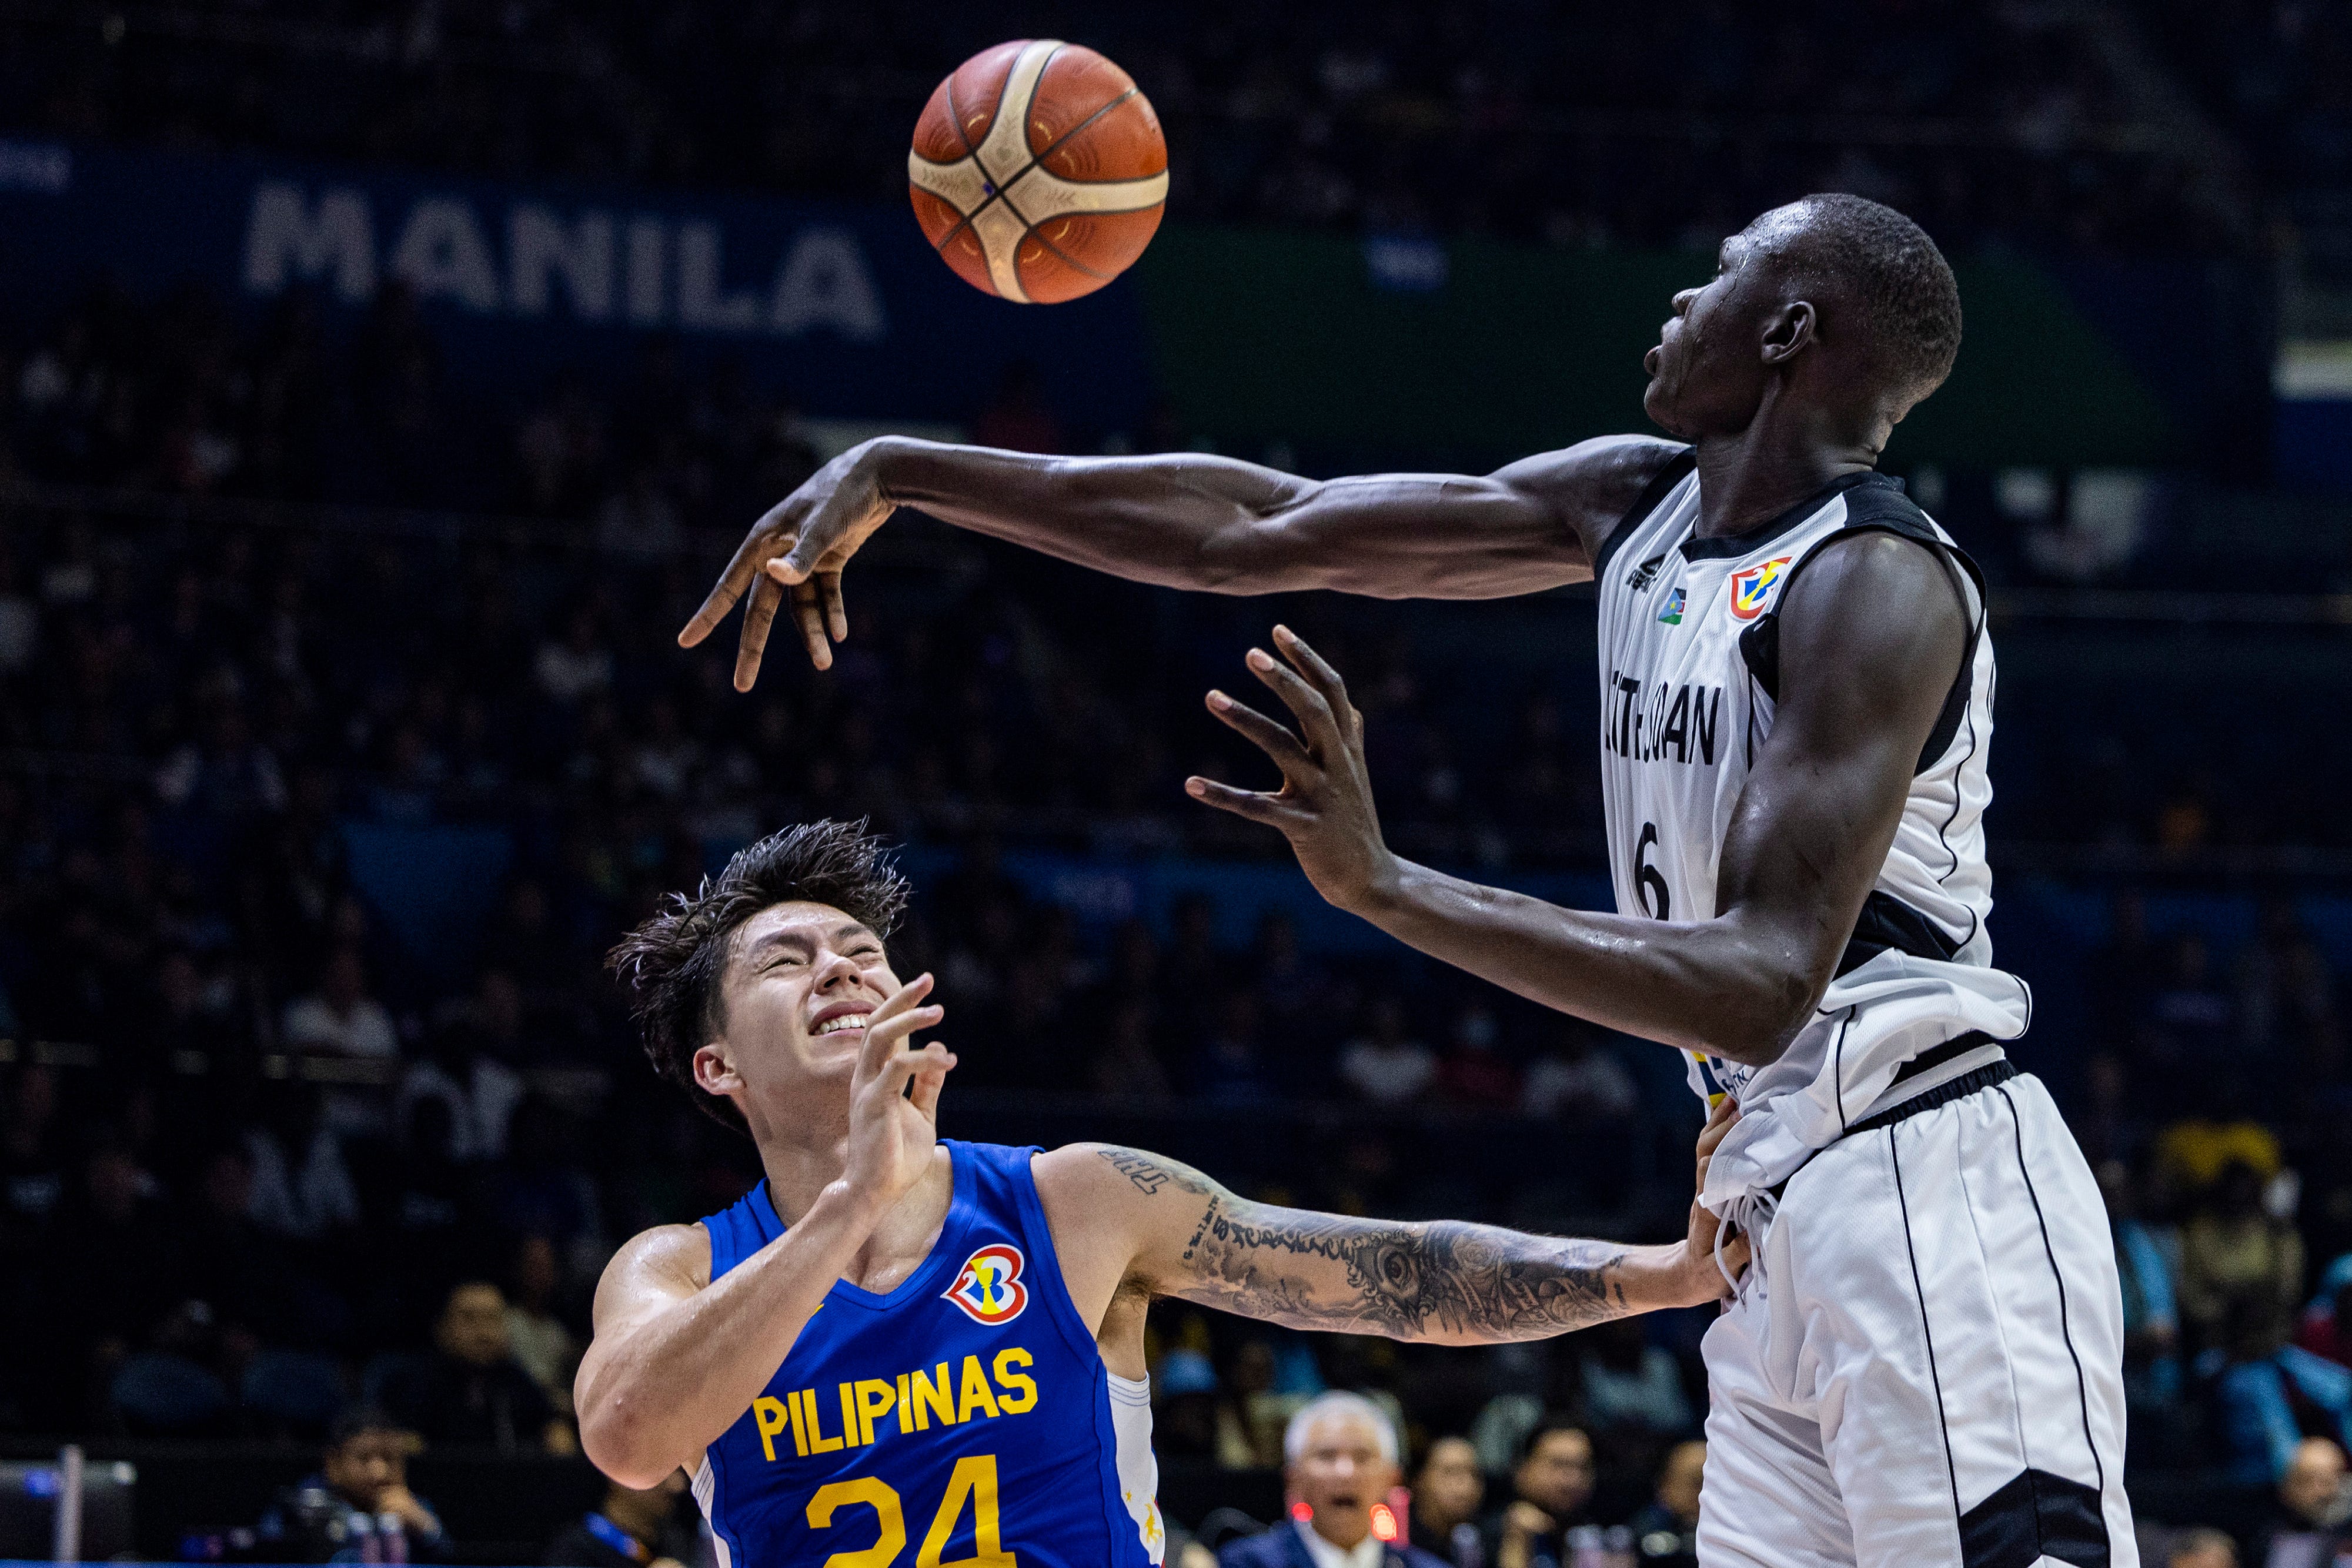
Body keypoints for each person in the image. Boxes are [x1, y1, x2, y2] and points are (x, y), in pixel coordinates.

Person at [686, 191, 2131, 1567]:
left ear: (1788, 332)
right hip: (1768, 1203)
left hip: (1921, 1176)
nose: (1682, 296)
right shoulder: (1633, 505)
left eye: (1724, 272)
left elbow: (1757, 985)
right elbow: (1254, 527)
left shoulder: (1872, 586)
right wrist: (906, 470)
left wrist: (1385, 888)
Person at [574, 822, 1745, 1567]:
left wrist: (1662, 1274)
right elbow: (628, 1438)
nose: (836, 964)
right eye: (786, 960)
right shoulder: (678, 1268)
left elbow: (1386, 1277)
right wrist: (845, 1205)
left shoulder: (1076, 1201)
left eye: (858, 950)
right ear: (715, 1064)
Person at [1220, 1393, 1446, 1568]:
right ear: (1293, 1478)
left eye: (1362, 1457)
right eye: (1326, 1456)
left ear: (1392, 1479)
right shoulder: (1245, 1562)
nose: (1345, 1472)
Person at [381, 1279, 574, 1454]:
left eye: (492, 1319)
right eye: (469, 1319)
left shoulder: (514, 1378)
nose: (483, 1332)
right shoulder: (417, 1381)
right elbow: (405, 1442)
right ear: (443, 1328)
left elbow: (550, 1423)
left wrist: (557, 1432)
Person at [255, 1406, 445, 1563]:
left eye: (389, 1458)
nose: (380, 1472)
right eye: (364, 1458)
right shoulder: (303, 1504)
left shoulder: (412, 1507)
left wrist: (425, 1526)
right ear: (333, 1464)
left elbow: (447, 1557)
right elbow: (266, 1549)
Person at [1484, 1423, 1597, 1568]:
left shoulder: (1599, 1536)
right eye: (1559, 1465)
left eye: (1583, 1467)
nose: (1573, 1479)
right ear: (1523, 1469)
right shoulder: (1487, 1536)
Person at [543, 1470, 693, 1568]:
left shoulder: (677, 1542)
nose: (678, 1485)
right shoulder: (575, 1551)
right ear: (617, 1477)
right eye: (663, 1472)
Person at [2253, 1437, 2350, 1568]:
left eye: (2332, 1479)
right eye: (2310, 1481)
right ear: (2288, 1488)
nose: (2324, 1493)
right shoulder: (2272, 1540)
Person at [1408, 1435, 1485, 1568]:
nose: (1467, 1485)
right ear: (1420, 1480)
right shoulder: (1399, 1542)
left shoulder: (1487, 1540)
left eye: (1474, 1474)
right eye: (1451, 1472)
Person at [1628, 1442, 1706, 1567]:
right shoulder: (1643, 1532)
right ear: (1666, 1485)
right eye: (1697, 1482)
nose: (1704, 1492)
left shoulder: (1733, 1531)